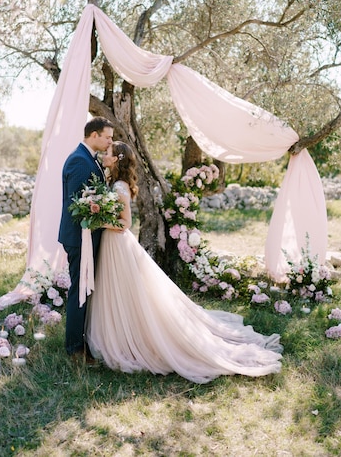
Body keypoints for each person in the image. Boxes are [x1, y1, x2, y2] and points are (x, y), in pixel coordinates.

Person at [85, 141, 283, 384]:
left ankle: (131, 338)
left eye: (108, 153)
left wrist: (98, 220)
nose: (104, 154)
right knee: (117, 292)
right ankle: (118, 333)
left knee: (127, 293)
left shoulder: (119, 186)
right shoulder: (113, 182)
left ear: (117, 159)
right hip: (112, 244)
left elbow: (125, 223)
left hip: (117, 242)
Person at [58, 116, 114, 362]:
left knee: (84, 289)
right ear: (94, 135)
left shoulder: (89, 159)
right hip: (80, 237)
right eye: (107, 137)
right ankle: (74, 349)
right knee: (79, 291)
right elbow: (78, 206)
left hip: (87, 235)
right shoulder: (80, 161)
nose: (111, 141)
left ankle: (82, 340)